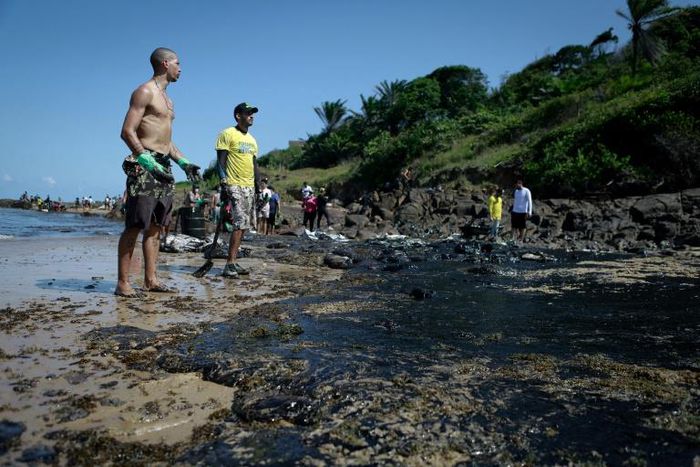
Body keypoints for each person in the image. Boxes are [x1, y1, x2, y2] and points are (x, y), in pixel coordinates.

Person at [115, 47, 201, 298]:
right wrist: (144, 158)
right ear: (165, 64)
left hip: (165, 165)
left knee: (156, 226)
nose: (181, 68)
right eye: (178, 63)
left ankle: (151, 280)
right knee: (135, 224)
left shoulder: (168, 100)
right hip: (145, 165)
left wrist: (184, 162)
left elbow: (165, 141)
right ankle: (123, 283)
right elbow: (127, 131)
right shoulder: (144, 91)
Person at [216, 102, 260, 278]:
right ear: (238, 116)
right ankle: (229, 264)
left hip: (249, 186)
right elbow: (220, 162)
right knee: (240, 222)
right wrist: (224, 182)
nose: (252, 116)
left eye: (252, 113)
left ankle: (233, 260)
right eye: (248, 113)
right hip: (233, 183)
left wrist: (258, 186)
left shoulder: (252, 140)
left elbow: (254, 164)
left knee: (245, 226)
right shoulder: (227, 134)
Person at [510, 179, 532, 244]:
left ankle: (521, 239)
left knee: (522, 226)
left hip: (523, 212)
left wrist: (529, 211)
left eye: (516, 185)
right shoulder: (516, 191)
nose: (516, 186)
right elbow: (516, 201)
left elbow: (529, 201)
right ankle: (512, 238)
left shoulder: (526, 191)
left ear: (520, 184)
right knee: (513, 226)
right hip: (515, 211)